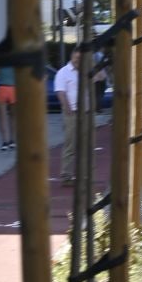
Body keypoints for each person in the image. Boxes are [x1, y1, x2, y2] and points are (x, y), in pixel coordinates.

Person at [53, 50, 80, 184]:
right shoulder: (63, 72)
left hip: (85, 112)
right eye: (76, 58)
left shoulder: (85, 71)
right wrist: (67, 107)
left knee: (86, 144)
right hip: (72, 113)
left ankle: (84, 174)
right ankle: (66, 175)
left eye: (81, 59)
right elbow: (60, 91)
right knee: (70, 143)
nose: (78, 61)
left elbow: (101, 76)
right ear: (71, 57)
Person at [0, 37, 15, 151]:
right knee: (13, 117)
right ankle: (11, 141)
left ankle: (5, 142)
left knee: (3, 117)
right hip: (13, 89)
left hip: (3, 87)